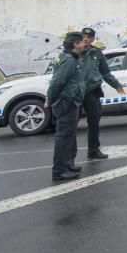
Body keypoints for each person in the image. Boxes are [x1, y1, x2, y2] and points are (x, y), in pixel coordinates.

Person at [79, 27, 126, 160]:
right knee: (70, 126)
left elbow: (105, 72)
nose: (86, 39)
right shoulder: (74, 51)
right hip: (75, 93)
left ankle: (93, 150)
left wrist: (116, 85)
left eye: (89, 37)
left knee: (94, 122)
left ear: (93, 39)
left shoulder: (97, 53)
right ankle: (68, 157)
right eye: (83, 36)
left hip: (92, 92)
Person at [45, 32, 87, 181]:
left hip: (70, 100)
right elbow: (57, 82)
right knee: (63, 136)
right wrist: (49, 98)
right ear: (75, 44)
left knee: (69, 136)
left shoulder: (68, 58)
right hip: (66, 102)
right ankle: (59, 171)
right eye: (82, 42)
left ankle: (67, 164)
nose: (85, 44)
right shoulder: (68, 60)